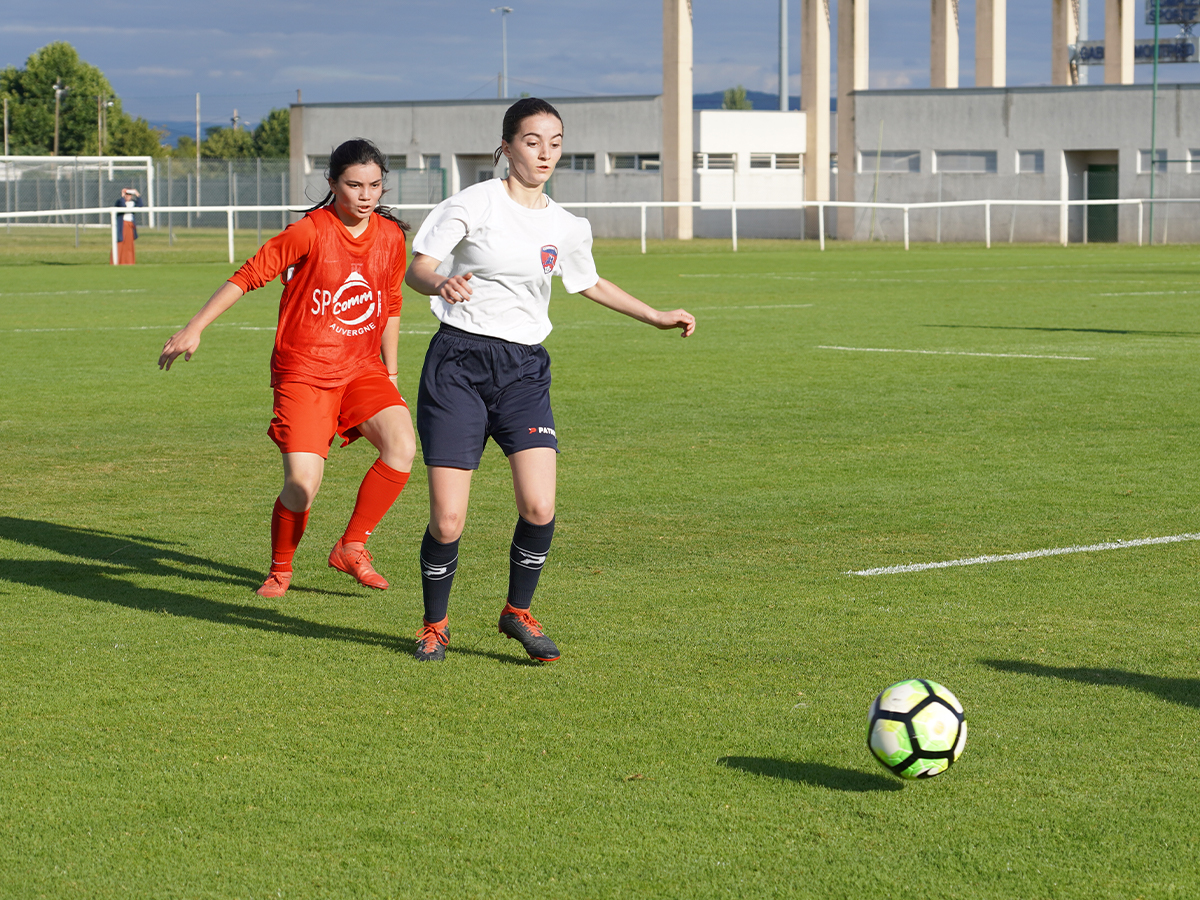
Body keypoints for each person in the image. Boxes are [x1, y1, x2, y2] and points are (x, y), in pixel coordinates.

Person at [404, 97, 695, 663]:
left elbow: (588, 282)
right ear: (507, 146)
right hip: (458, 365)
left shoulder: (566, 224)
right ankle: (434, 625)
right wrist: (439, 284)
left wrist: (657, 315)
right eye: (532, 141)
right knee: (448, 517)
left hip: (522, 371)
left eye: (555, 142)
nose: (545, 153)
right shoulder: (472, 203)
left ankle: (517, 612)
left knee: (539, 507)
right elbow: (419, 267)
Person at [158, 139, 416, 599]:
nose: (365, 195)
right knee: (301, 485)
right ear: (333, 183)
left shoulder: (392, 237)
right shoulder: (309, 231)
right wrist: (194, 328)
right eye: (354, 185)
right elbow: (247, 274)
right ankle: (281, 569)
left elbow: (391, 305)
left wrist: (391, 373)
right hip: (304, 371)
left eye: (375, 185)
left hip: (362, 368)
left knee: (401, 445)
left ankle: (352, 546)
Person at [113, 187, 143, 265]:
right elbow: (122, 206)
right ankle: (117, 261)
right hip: (122, 225)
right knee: (120, 243)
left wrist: (137, 194)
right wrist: (122, 196)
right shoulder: (120, 202)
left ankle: (128, 261)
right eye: (127, 194)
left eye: (130, 195)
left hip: (130, 225)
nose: (128, 196)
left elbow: (140, 205)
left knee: (129, 245)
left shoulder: (133, 203)